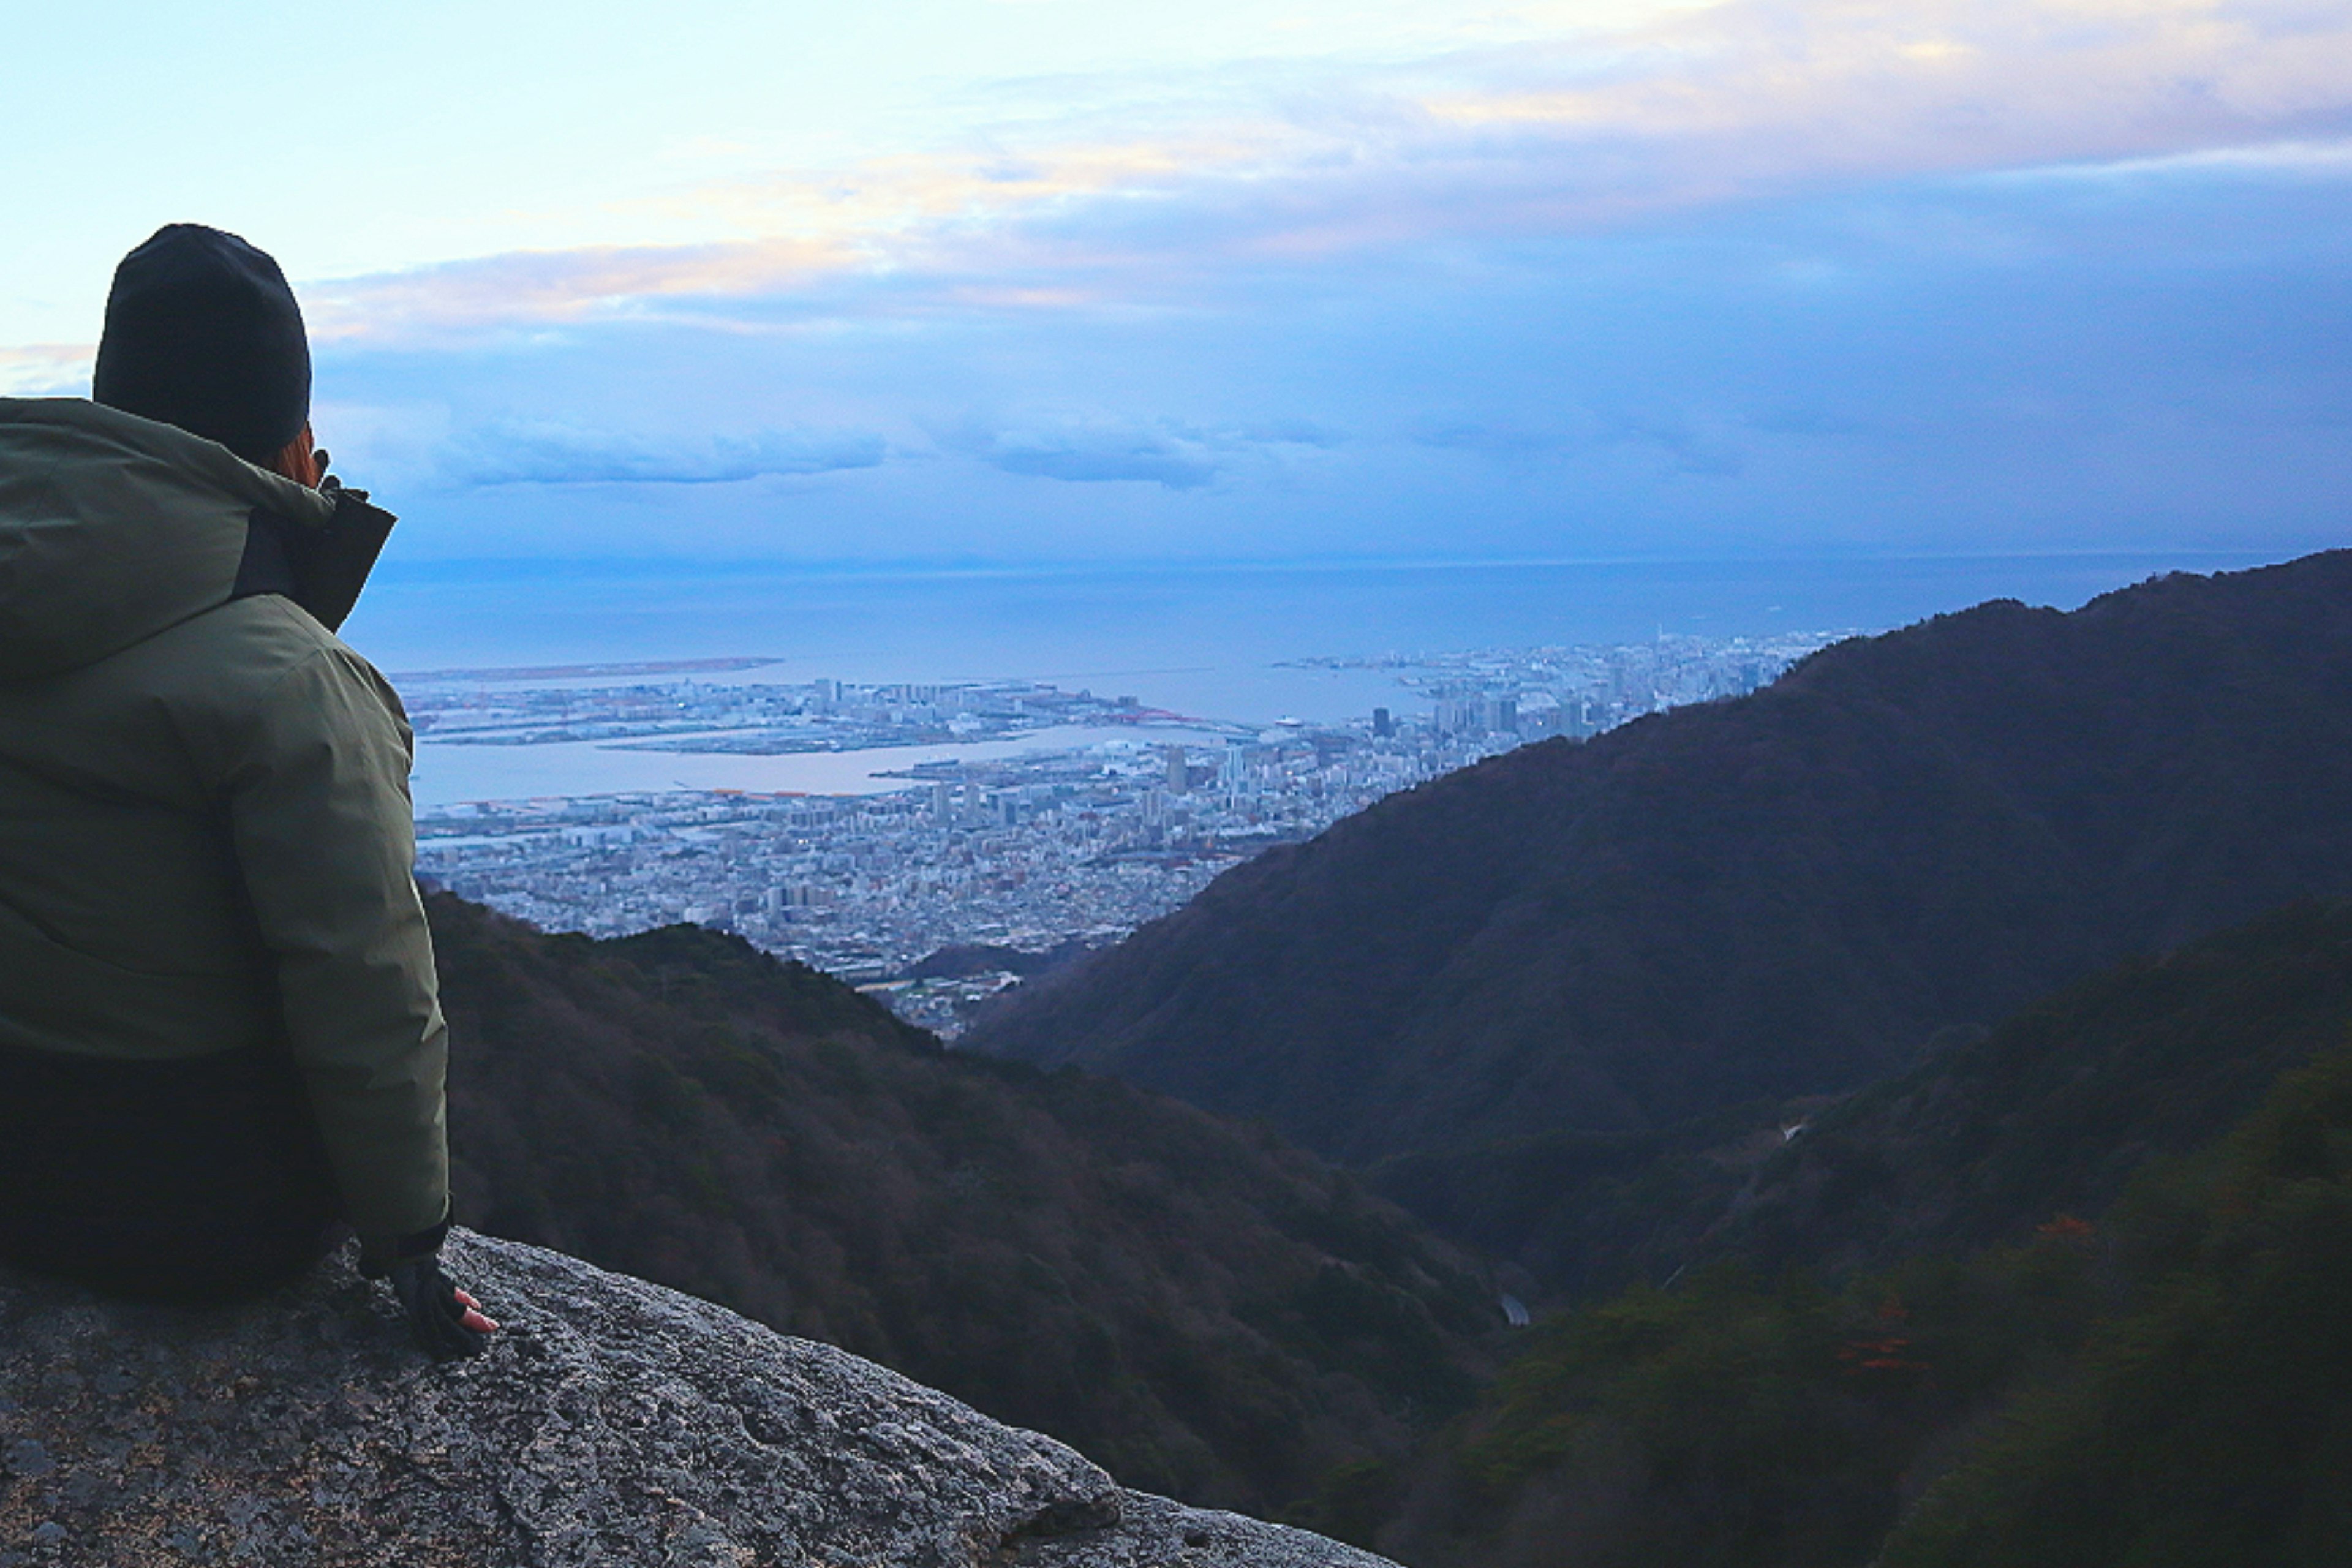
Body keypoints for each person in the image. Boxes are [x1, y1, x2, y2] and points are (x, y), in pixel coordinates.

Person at [0, 224, 495, 1359]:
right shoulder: (290, 678)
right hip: (192, 1216)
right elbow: (362, 977)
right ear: (296, 446)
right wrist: (408, 1241)